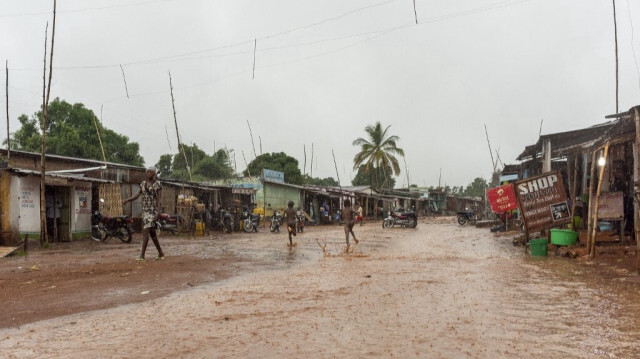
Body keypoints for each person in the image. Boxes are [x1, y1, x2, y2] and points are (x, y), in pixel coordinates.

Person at [123, 166, 165, 261]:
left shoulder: (158, 184)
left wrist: (158, 212)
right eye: (147, 171)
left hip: (153, 211)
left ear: (154, 173)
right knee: (152, 233)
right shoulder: (143, 184)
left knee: (146, 231)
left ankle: (142, 256)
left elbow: (159, 199)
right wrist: (127, 200)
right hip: (145, 211)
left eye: (150, 171)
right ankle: (161, 253)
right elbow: (136, 195)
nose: (148, 173)